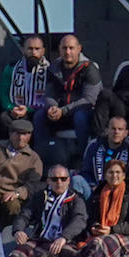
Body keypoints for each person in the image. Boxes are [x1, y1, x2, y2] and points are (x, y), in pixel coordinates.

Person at [5, 165, 88, 257]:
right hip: (41, 239)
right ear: (48, 181)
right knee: (19, 253)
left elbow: (80, 219)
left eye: (63, 179)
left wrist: (64, 237)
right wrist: (18, 230)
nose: (59, 182)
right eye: (54, 179)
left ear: (68, 180)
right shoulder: (40, 196)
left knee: (66, 254)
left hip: (66, 241)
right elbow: (24, 215)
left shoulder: (76, 199)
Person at [78, 159, 129, 257]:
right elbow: (91, 217)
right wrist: (94, 227)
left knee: (99, 244)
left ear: (124, 175)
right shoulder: (98, 193)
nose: (114, 175)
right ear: (105, 175)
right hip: (102, 235)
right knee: (91, 245)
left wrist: (112, 230)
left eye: (118, 172)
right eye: (110, 172)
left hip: (127, 238)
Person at [42, 34, 100, 163]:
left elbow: (89, 99)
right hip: (61, 112)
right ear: (59, 49)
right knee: (40, 116)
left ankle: (83, 159)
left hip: (83, 112)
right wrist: (52, 107)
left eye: (71, 48)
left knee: (80, 116)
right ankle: (43, 159)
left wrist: (63, 110)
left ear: (79, 49)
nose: (68, 52)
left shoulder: (90, 68)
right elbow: (49, 93)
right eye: (64, 48)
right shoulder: (53, 68)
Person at [0, 118, 43, 222]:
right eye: (17, 133)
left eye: (25, 134)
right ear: (10, 133)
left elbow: (33, 184)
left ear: (30, 135)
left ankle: (9, 231)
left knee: (13, 205)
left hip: (13, 191)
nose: (21, 137)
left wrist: (17, 193)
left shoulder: (34, 158)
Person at [0, 34, 50, 136]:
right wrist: (11, 108)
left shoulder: (50, 70)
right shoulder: (11, 68)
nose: (33, 52)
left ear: (43, 51)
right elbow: (3, 92)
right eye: (30, 49)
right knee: (3, 118)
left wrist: (29, 109)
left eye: (37, 49)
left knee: (40, 117)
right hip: (14, 109)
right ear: (23, 49)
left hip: (37, 110)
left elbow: (51, 96)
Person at [75, 115, 129, 197]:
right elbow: (86, 172)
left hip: (120, 193)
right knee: (77, 180)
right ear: (107, 130)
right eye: (113, 128)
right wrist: (93, 185)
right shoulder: (94, 147)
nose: (116, 132)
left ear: (126, 133)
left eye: (120, 129)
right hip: (95, 190)